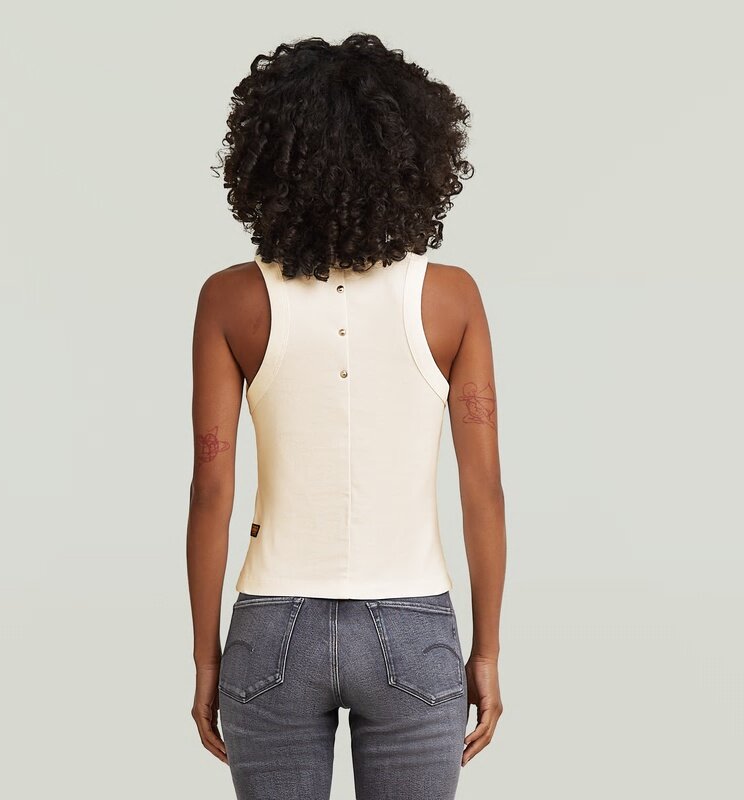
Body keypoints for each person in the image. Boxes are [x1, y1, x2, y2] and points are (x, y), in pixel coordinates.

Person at [186, 32, 506, 800]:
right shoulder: (451, 298)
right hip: (415, 627)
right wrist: (487, 652)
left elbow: (211, 489)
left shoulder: (230, 299)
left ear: (268, 160)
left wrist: (206, 659)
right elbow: (483, 491)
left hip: (272, 632)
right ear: (413, 155)